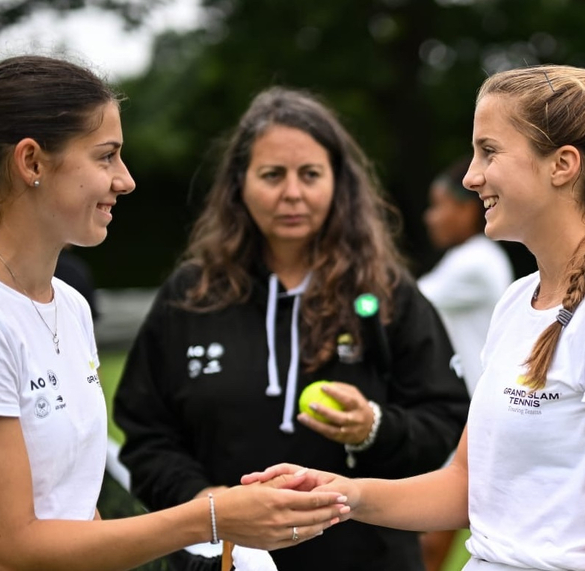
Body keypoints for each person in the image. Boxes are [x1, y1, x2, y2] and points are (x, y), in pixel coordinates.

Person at [0, 55, 347, 571]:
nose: (125, 180)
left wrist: (204, 562)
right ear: (31, 162)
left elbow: (77, 518)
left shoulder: (71, 305)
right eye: (106, 157)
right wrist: (213, 518)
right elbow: (11, 552)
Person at [243, 64, 585, 571]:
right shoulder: (518, 300)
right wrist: (341, 494)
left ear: (562, 165)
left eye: (490, 151)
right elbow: (466, 485)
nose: (470, 176)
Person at [112, 86, 471, 571]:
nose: (292, 193)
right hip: (224, 560)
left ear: (338, 183)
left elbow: (445, 419)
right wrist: (207, 505)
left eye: (310, 174)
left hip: (367, 560)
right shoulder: (192, 294)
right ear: (240, 183)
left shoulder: (386, 292)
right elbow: (146, 432)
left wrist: (374, 428)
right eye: (272, 175)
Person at [416, 156, 513, 570]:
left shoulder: (475, 261)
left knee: (426, 546)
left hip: (468, 416)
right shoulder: (468, 259)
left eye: (439, 205)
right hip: (468, 414)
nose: (429, 217)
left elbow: (401, 304)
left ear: (467, 208)